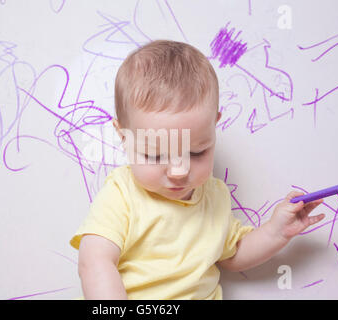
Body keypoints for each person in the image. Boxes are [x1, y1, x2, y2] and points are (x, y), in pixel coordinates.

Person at [69, 40, 325, 299]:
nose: (179, 171)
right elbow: (95, 262)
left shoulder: (213, 194)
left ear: (214, 126)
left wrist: (275, 232)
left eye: (195, 153)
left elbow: (233, 254)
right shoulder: (122, 193)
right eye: (156, 155)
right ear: (123, 135)